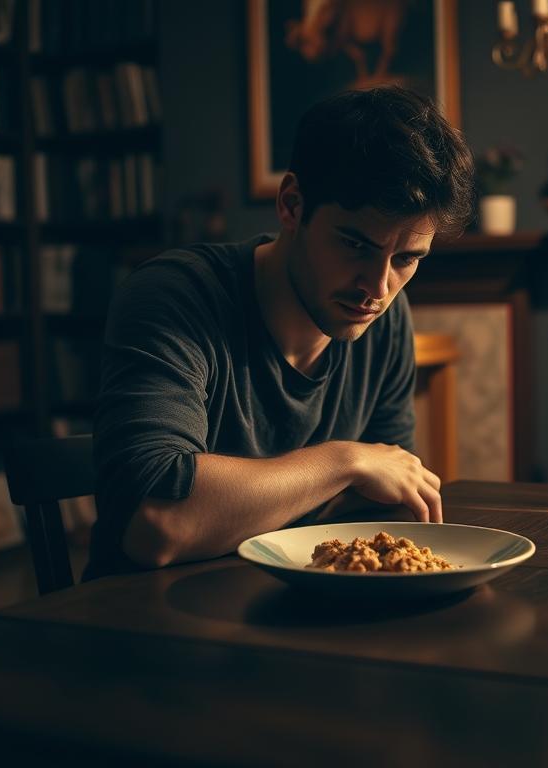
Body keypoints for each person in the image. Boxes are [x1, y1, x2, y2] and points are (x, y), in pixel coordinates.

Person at [84, 86, 475, 580]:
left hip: (294, 606)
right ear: (292, 204)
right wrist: (343, 462)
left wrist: (228, 502)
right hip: (142, 615)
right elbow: (158, 524)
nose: (377, 289)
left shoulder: (386, 320)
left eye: (406, 259)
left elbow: (388, 506)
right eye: (355, 244)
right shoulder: (174, 297)